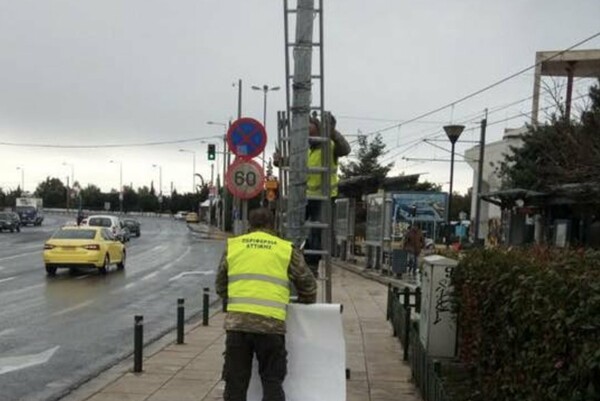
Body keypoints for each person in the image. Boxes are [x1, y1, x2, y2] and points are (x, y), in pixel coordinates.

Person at [216, 207, 317, 401]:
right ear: (273, 224)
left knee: (235, 384)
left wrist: (235, 300)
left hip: (238, 326)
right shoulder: (284, 248)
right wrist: (305, 300)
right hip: (271, 327)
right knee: (272, 381)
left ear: (249, 225)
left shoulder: (234, 246)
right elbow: (308, 285)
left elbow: (220, 285)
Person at [273, 114, 351, 271]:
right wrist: (281, 160)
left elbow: (345, 149)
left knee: (316, 232)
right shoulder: (306, 150)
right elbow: (296, 164)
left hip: (323, 197)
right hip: (305, 196)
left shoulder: (329, 145)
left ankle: (311, 266)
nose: (307, 131)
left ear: (318, 129)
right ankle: (293, 259)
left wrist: (333, 132)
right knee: (295, 228)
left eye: (310, 127)